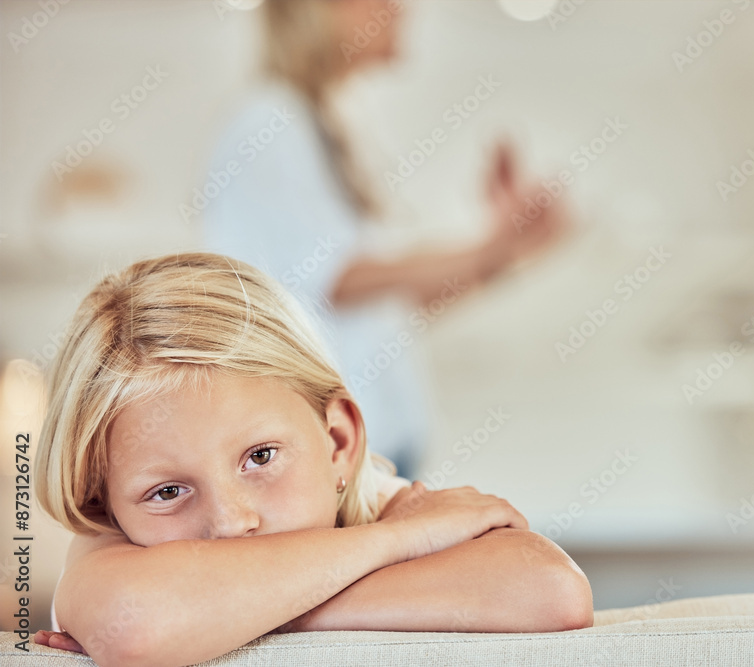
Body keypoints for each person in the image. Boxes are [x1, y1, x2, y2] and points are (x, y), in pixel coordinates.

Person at [30, 253, 593, 666]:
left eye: (261, 456)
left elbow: (551, 591)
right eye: (168, 492)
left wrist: (229, 609)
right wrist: (394, 544)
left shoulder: (386, 499)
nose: (231, 522)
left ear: (339, 442)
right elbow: (138, 628)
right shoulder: (109, 542)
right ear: (104, 505)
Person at [201, 0, 567, 479]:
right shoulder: (269, 121)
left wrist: (507, 254)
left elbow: (386, 306)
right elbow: (335, 277)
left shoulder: (318, 124)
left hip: (376, 448)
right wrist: (490, 248)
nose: (400, 7)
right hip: (335, 455)